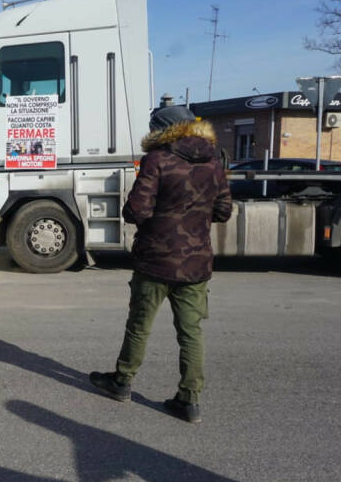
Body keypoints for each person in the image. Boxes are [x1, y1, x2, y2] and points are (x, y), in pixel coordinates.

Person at [89, 106, 233, 423]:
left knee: (140, 326)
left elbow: (136, 210)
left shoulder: (157, 158)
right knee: (191, 333)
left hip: (155, 260)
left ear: (162, 129)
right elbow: (224, 211)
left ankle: (122, 382)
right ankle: (189, 401)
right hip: (195, 264)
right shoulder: (213, 160)